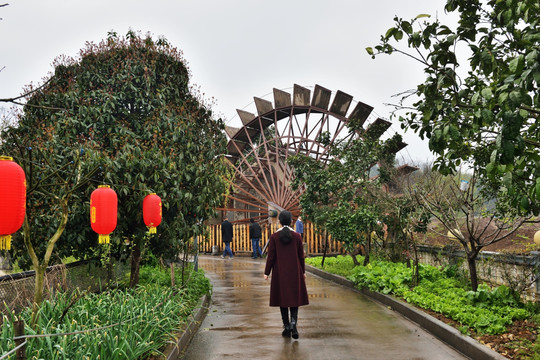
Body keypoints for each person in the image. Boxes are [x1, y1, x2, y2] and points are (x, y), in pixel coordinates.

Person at [264, 210, 309, 339]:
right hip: (295, 272)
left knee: (282, 299)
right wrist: (303, 271)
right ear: (291, 221)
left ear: (279, 221)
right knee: (295, 299)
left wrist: (266, 272)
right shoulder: (297, 237)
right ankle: (294, 323)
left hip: (280, 273)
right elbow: (301, 256)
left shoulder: (274, 237)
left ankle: (286, 326)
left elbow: (271, 257)